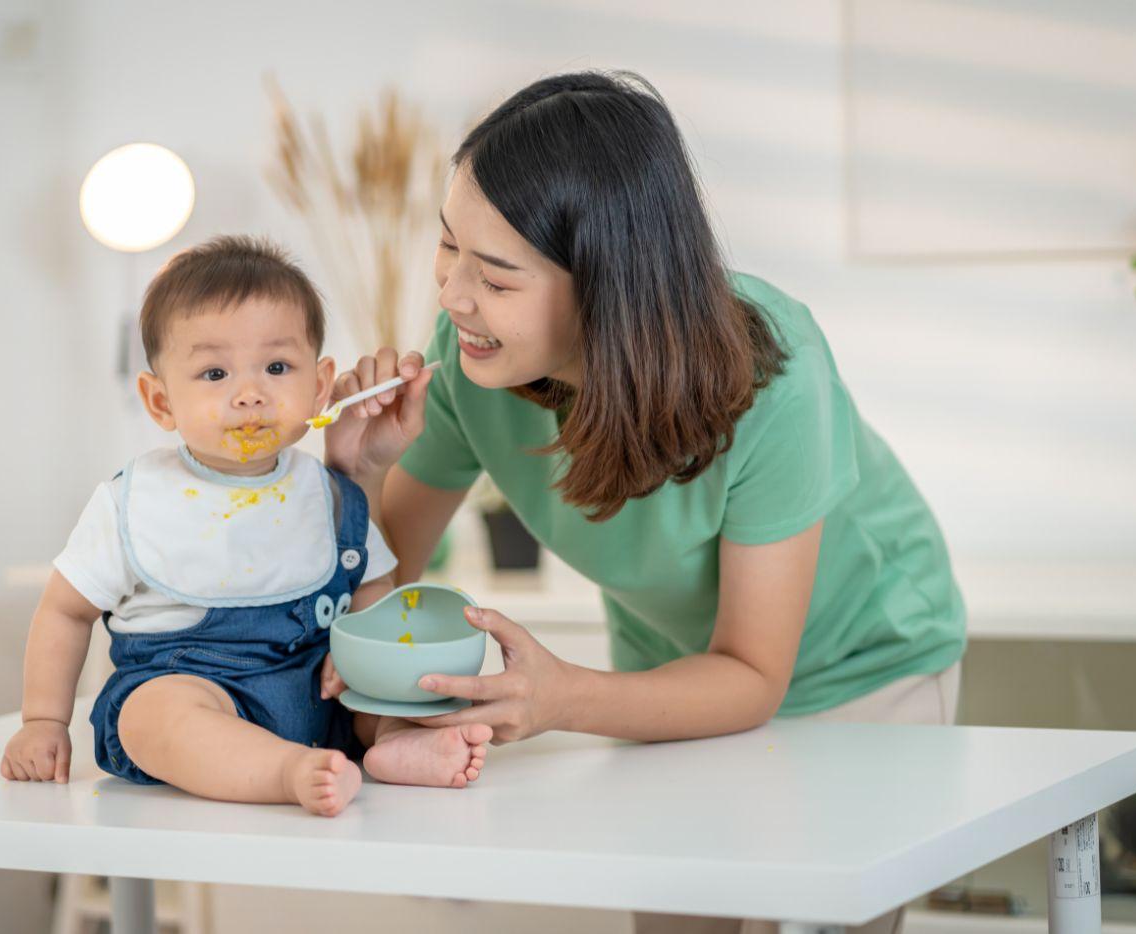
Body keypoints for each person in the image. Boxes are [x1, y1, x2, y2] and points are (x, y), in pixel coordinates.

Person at [324, 72, 965, 928]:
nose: (451, 295)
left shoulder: (771, 376)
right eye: (448, 247)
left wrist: (558, 698)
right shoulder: (470, 361)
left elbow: (751, 675)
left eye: (498, 277)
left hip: (865, 669)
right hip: (674, 674)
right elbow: (386, 590)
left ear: (607, 282)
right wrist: (358, 476)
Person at [0, 235, 489, 817]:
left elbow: (373, 588)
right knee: (152, 716)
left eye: (277, 367)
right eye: (214, 373)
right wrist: (43, 721)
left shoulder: (331, 494)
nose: (250, 394)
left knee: (380, 694)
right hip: (193, 685)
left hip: (319, 687)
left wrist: (361, 650)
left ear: (317, 385)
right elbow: (64, 611)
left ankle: (396, 746)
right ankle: (285, 771)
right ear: (160, 402)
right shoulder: (132, 501)